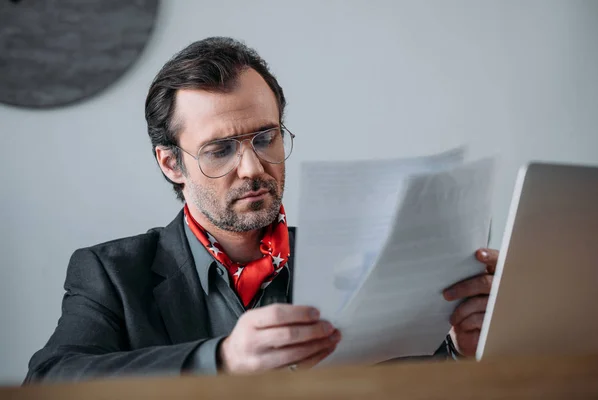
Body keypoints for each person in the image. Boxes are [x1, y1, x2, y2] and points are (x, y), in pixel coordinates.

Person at [24, 37, 498, 383]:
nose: (252, 167)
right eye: (220, 150)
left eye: (265, 137)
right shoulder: (110, 273)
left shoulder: (361, 256)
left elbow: (401, 378)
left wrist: (459, 351)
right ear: (172, 164)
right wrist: (222, 360)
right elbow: (49, 379)